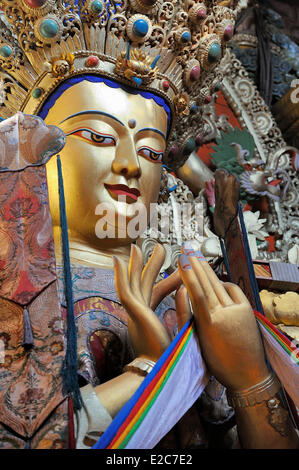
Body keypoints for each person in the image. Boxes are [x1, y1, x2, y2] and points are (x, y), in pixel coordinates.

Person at [0, 0, 298, 449]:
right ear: (32, 150)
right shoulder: (18, 292)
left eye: (152, 152)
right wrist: (149, 371)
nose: (130, 166)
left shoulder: (189, 296)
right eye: (100, 137)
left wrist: (250, 379)